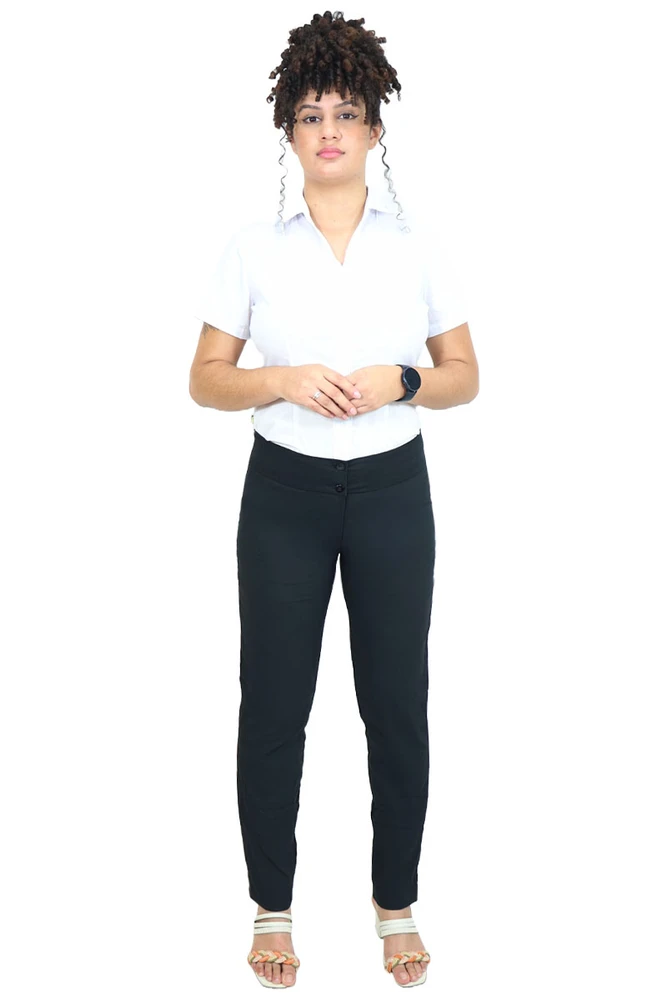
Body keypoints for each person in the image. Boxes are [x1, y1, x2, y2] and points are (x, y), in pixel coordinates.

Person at [189, 10, 479, 990]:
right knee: (274, 702)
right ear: (288, 130)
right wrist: (279, 379)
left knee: (396, 703)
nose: (327, 131)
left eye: (345, 113)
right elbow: (204, 379)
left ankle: (395, 905)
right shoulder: (253, 248)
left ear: (373, 129)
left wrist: (405, 379)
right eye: (309, 114)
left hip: (393, 490)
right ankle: (271, 906)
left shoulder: (417, 244)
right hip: (284, 495)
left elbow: (465, 376)